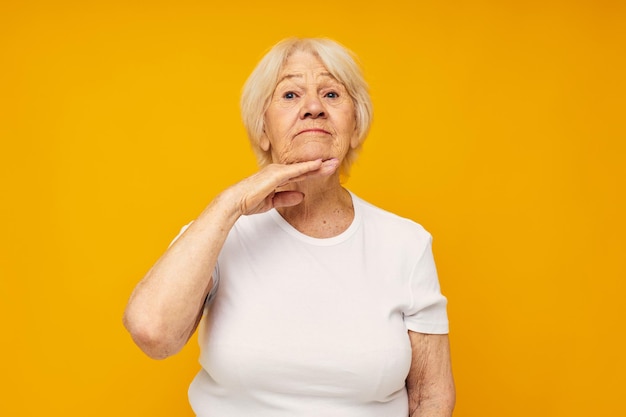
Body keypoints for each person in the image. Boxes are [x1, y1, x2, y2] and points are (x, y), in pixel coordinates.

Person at [123, 37, 455, 417]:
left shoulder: (405, 244)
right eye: (290, 95)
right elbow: (153, 334)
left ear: (355, 124)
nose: (313, 108)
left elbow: (432, 397)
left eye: (331, 94)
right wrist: (231, 203)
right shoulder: (217, 233)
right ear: (262, 129)